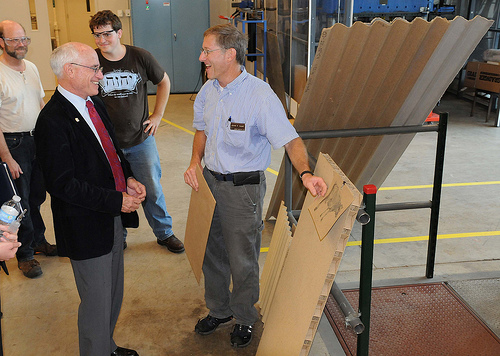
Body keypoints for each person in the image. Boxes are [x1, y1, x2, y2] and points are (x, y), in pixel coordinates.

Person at [183, 24, 328, 348]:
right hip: (209, 183)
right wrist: (195, 162)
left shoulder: (260, 96)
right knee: (211, 251)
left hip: (242, 190)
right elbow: (201, 131)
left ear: (230, 54)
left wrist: (306, 174)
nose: (201, 56)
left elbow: (290, 141)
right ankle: (219, 309)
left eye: (207, 51)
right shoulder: (208, 90)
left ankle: (245, 317)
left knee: (242, 258)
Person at [35, 42, 145, 356]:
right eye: (94, 68)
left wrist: (129, 179)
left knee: (112, 293)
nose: (101, 74)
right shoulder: (53, 121)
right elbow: (62, 185)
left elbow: (112, 152)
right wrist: (115, 201)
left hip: (109, 216)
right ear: (69, 71)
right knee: (97, 302)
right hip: (86, 224)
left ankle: (106, 347)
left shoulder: (92, 105)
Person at [88, 10, 184, 253]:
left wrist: (158, 115)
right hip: (107, 144)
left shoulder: (140, 57)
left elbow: (164, 81)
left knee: (151, 188)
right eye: (97, 35)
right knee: (114, 191)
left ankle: (164, 233)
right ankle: (117, 237)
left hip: (140, 140)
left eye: (107, 34)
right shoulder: (91, 61)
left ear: (119, 33)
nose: (101, 40)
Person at [0, 20, 56, 279]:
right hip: (13, 145)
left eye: (24, 39)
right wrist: (7, 157)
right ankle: (25, 255)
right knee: (18, 203)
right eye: (14, 40)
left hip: (38, 141)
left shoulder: (31, 67)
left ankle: (38, 241)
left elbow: (40, 101)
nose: (21, 44)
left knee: (36, 196)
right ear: (1, 42)